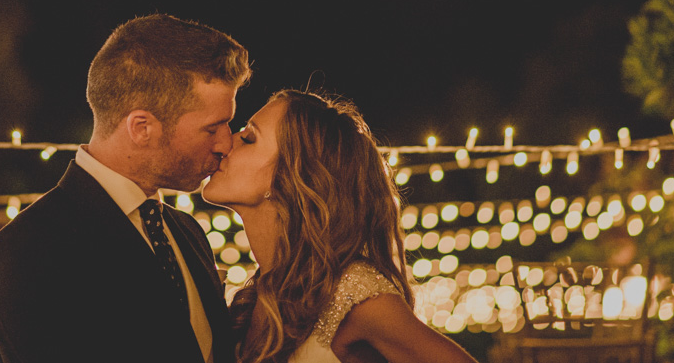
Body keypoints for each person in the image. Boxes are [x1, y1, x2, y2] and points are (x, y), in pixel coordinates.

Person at [0, 14, 253, 363]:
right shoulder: (31, 246)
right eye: (212, 128)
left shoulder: (187, 232)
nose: (225, 144)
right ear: (142, 128)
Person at [202, 90, 480, 363]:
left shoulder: (350, 292)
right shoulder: (258, 295)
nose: (227, 143)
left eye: (249, 138)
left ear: (291, 177)